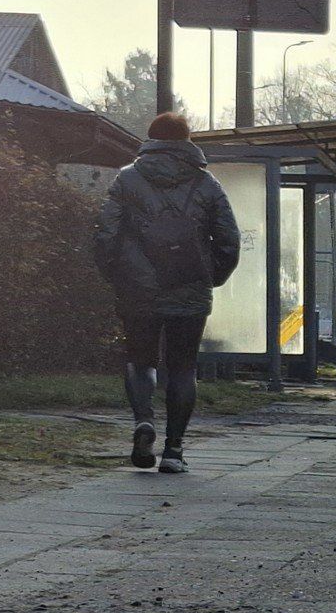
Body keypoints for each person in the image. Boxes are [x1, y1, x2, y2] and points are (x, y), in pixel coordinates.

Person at [93, 112, 241, 473]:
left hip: (137, 286)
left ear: (151, 138)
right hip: (190, 286)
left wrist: (116, 273)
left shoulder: (127, 179)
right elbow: (229, 239)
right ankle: (174, 451)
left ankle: (143, 420)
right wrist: (210, 276)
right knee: (182, 367)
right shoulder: (207, 184)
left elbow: (105, 232)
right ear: (187, 140)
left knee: (141, 359)